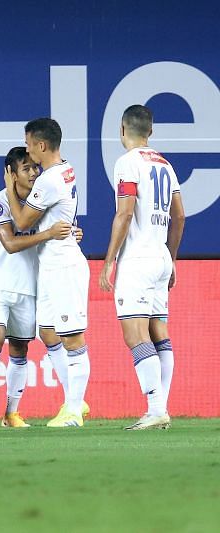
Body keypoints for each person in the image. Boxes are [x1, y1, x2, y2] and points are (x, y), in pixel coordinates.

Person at [0, 147, 79, 428]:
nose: (34, 172)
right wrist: (48, 234)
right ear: (11, 174)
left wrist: (72, 233)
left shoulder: (40, 203)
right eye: (26, 168)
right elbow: (10, 244)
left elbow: (64, 228)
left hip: (29, 287)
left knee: (20, 351)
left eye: (35, 167)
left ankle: (11, 413)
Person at [99, 105, 185, 430]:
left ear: (123, 130)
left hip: (137, 259)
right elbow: (179, 216)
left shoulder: (127, 163)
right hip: (161, 258)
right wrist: (171, 258)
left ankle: (155, 408)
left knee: (135, 335)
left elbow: (124, 213)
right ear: (151, 131)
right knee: (158, 332)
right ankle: (160, 407)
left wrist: (109, 261)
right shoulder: (165, 164)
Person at [3, 118, 91, 427]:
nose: (27, 150)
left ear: (41, 145)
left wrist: (9, 188)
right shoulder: (66, 167)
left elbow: (23, 223)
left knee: (73, 338)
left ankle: (74, 411)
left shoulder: (49, 180)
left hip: (64, 264)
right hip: (53, 263)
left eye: (28, 144)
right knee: (49, 333)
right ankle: (74, 401)